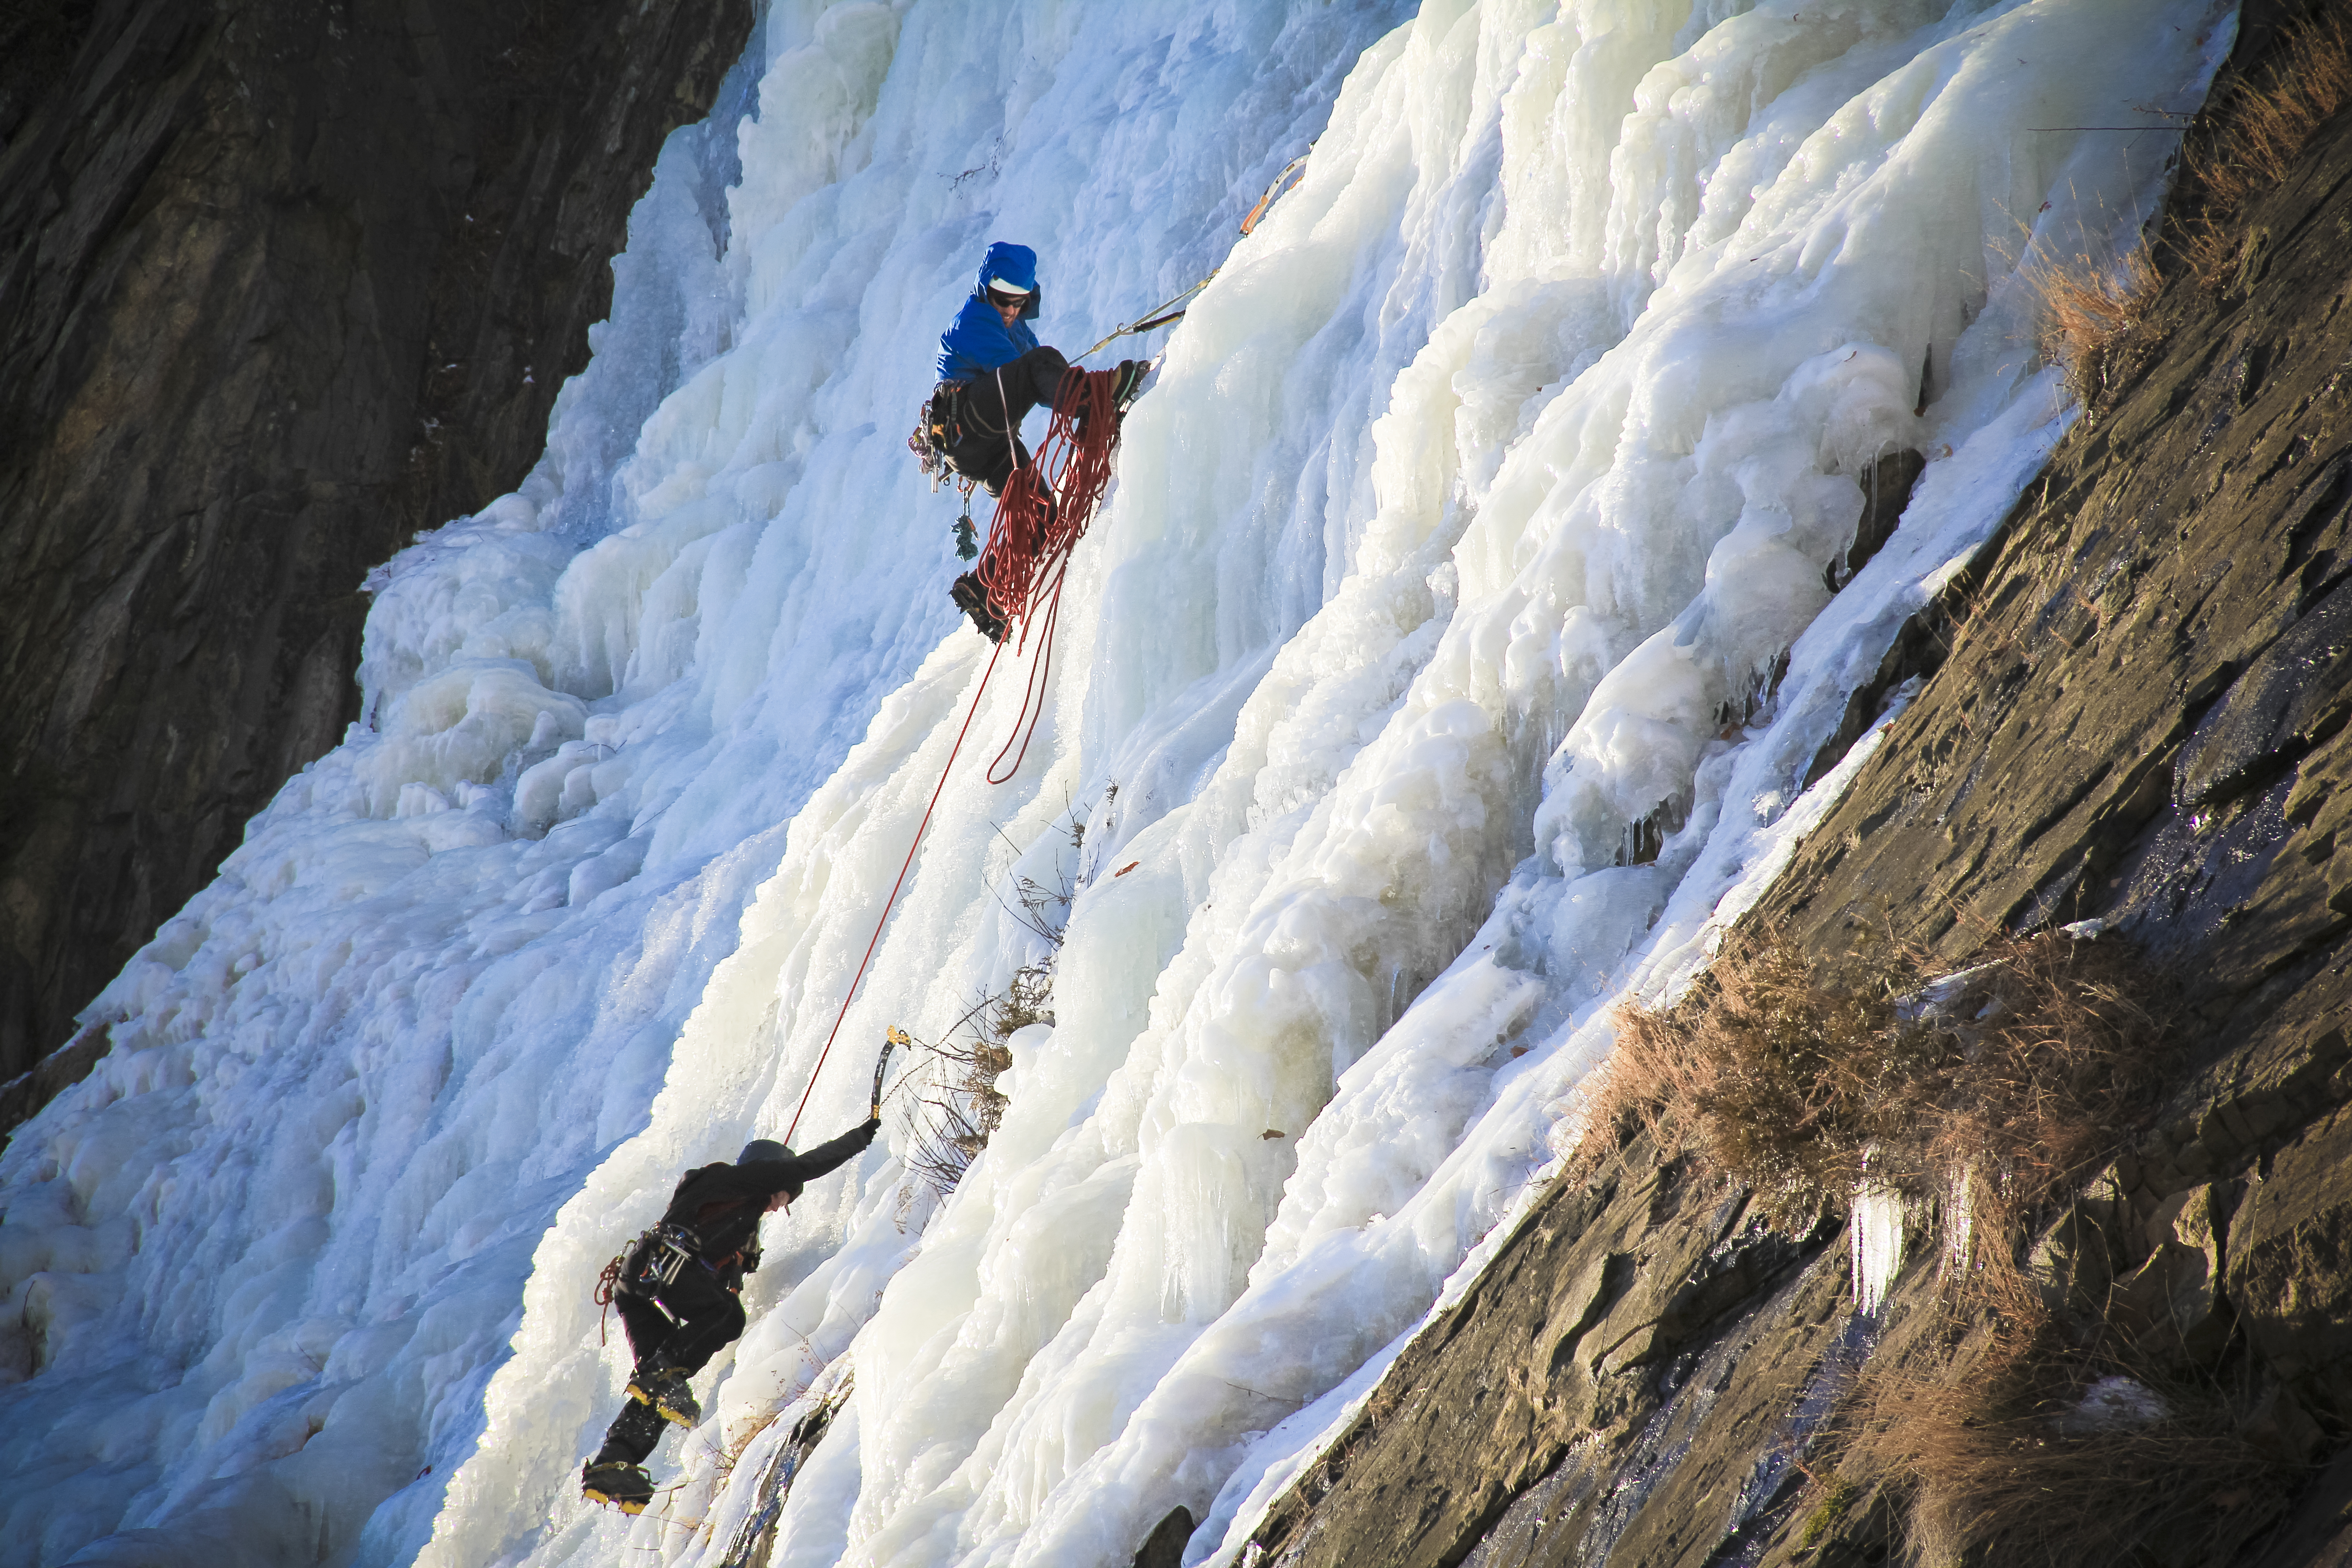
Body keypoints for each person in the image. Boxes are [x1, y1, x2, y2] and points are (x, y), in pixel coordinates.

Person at [580, 1117, 880, 1514]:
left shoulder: (730, 1210)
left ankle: (613, 1463)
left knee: (660, 1387)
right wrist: (863, 1135)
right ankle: (661, 1375)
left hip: (642, 1281)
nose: (782, 1204)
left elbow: (723, 1276)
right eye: (785, 1194)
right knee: (727, 1320)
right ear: (769, 1174)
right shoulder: (737, 1179)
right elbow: (807, 1165)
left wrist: (739, 1262)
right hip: (665, 1267)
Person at [926, 242, 1144, 641]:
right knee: (1039, 365)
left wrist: (1069, 382)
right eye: (1002, 301)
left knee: (1040, 515)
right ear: (984, 291)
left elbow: (1041, 376)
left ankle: (986, 594)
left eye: (1018, 303)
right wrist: (1092, 395)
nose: (1009, 311)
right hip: (970, 427)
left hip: (985, 443)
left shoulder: (1014, 326)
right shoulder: (975, 321)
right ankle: (1096, 406)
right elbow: (1030, 372)